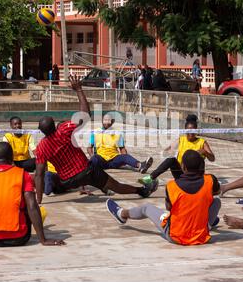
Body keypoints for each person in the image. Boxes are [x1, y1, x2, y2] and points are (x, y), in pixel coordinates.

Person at [34, 75, 159, 204]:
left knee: (51, 177)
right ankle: (141, 191)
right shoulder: (64, 130)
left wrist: (39, 200)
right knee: (114, 184)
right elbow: (86, 114)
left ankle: (99, 187)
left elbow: (39, 174)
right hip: (86, 171)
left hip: (68, 181)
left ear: (41, 130)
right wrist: (79, 90)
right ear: (54, 125)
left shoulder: (41, 147)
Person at [106, 150, 221, 245]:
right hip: (200, 236)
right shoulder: (210, 180)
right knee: (216, 201)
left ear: (183, 167)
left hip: (176, 236)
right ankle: (206, 224)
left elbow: (169, 208)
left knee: (146, 208)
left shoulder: (172, 185)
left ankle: (121, 214)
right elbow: (217, 192)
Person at [139, 114, 215, 185]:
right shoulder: (181, 139)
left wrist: (205, 152)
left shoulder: (202, 142)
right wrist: (169, 151)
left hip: (194, 175)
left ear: (196, 130)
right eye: (189, 130)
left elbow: (212, 159)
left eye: (193, 130)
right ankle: (150, 178)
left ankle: (196, 183)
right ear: (185, 130)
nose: (191, 133)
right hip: (181, 174)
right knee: (171, 159)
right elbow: (166, 152)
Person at [87, 113, 153, 173]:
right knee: (95, 158)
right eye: (105, 120)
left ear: (112, 122)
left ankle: (141, 165)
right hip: (101, 160)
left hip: (114, 160)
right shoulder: (95, 133)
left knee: (125, 157)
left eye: (108, 120)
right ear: (102, 121)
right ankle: (91, 168)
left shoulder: (117, 133)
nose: (106, 122)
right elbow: (89, 148)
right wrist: (92, 156)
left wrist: (124, 159)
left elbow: (122, 149)